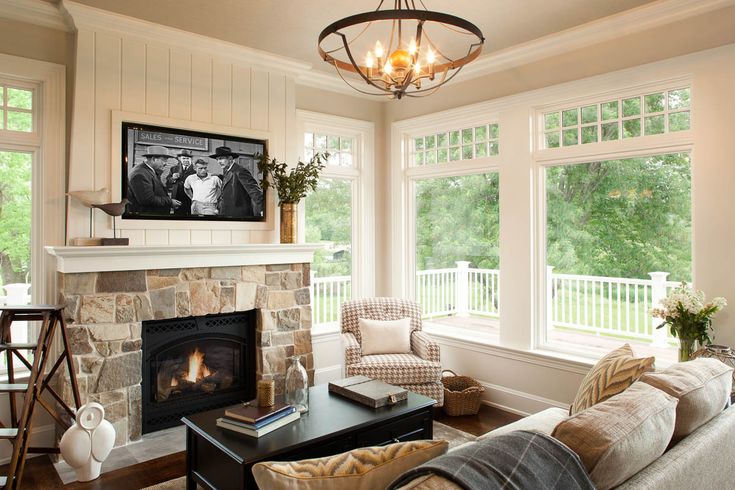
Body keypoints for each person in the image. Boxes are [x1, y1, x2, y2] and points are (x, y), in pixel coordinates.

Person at [211, 146, 264, 218]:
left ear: (230, 158)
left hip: (239, 214)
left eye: (221, 158)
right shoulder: (228, 170)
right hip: (228, 213)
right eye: (217, 159)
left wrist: (263, 210)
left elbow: (254, 191)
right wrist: (219, 208)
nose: (218, 162)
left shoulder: (240, 171)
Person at [127, 145, 181, 214]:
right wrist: (170, 202)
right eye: (164, 160)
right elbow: (147, 200)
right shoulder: (139, 174)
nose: (165, 164)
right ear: (154, 159)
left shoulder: (149, 170)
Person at [166, 149, 197, 215]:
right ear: (180, 159)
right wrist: (173, 178)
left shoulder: (196, 170)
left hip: (190, 198)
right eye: (184, 158)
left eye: (188, 158)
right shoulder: (174, 169)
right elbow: (168, 182)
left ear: (191, 159)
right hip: (177, 198)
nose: (186, 160)